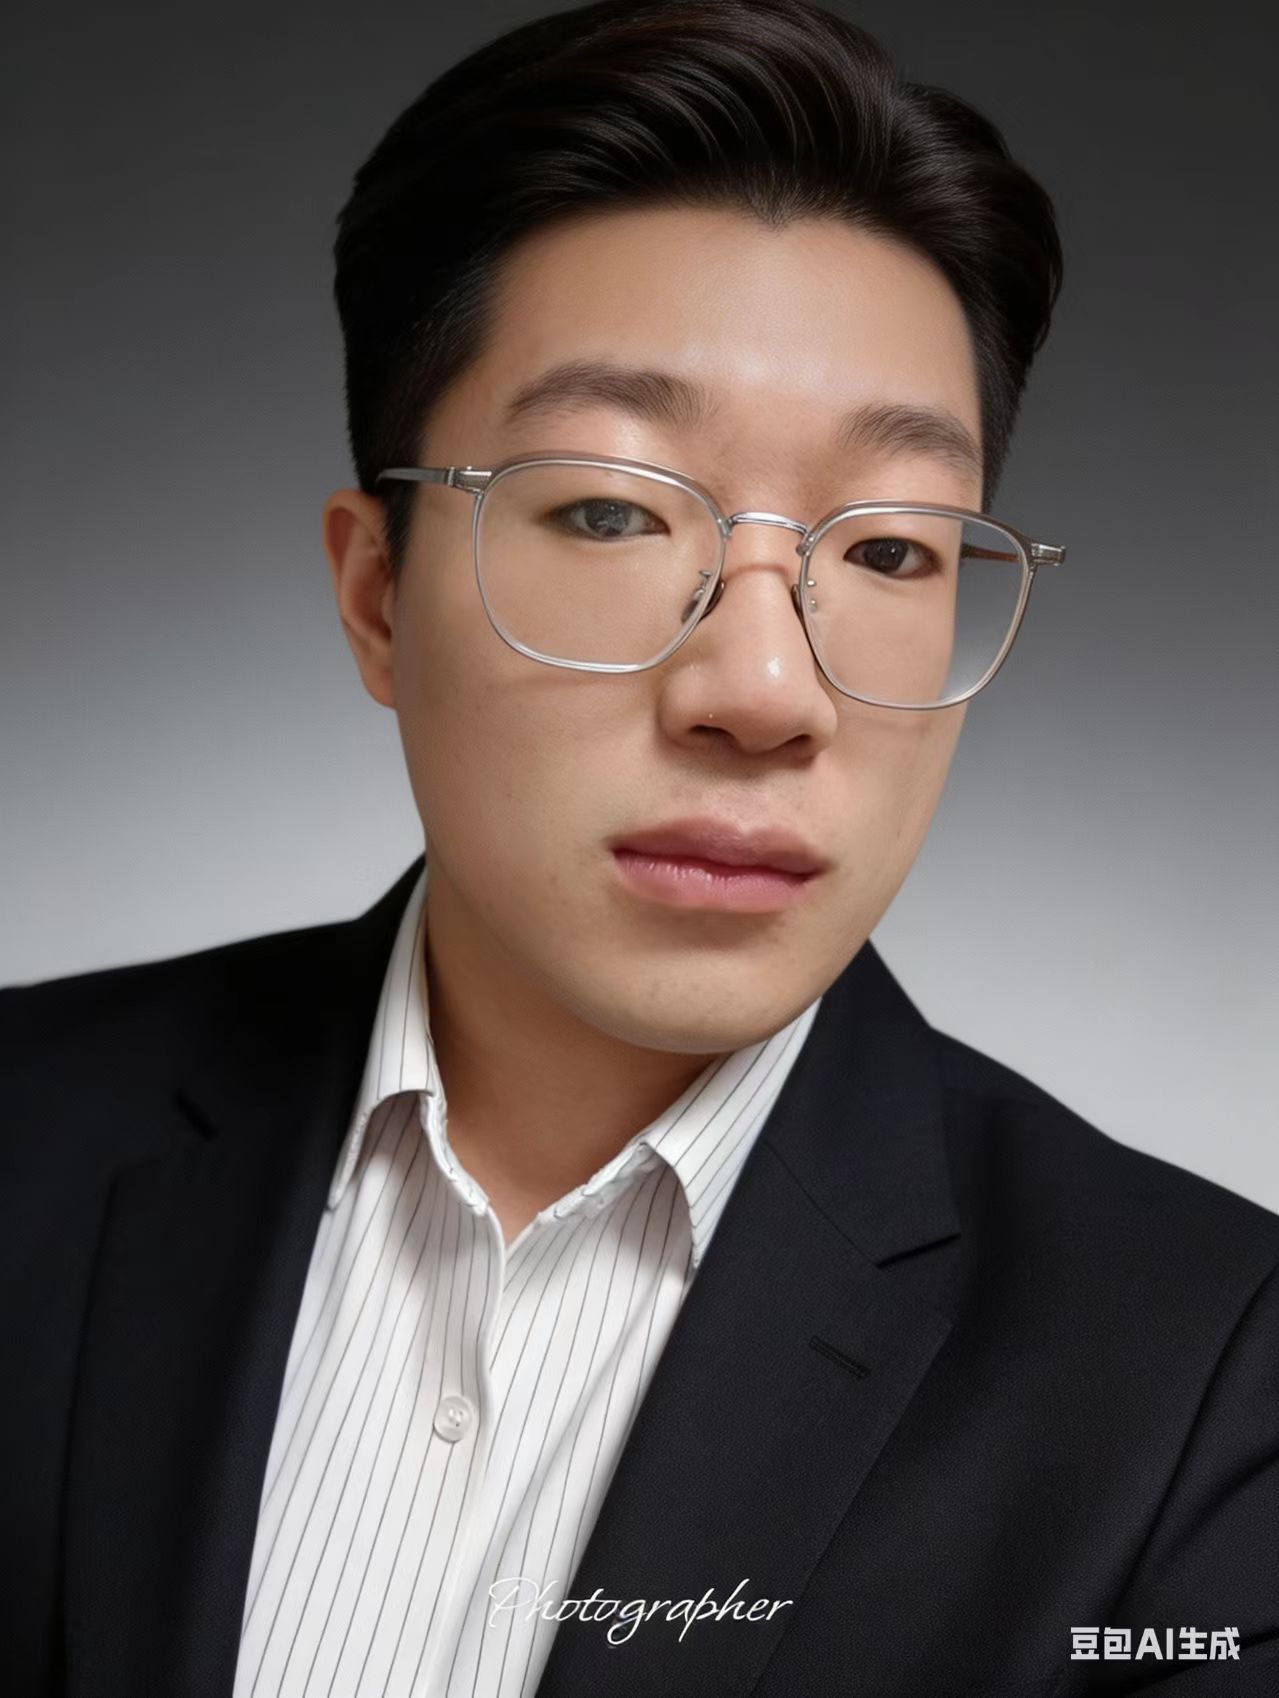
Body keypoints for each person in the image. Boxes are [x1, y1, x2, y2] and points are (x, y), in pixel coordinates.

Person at [3, 1, 1275, 1694]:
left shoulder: (1211, 1378)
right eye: (610, 508)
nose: (765, 691)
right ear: (377, 594)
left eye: (892, 549)